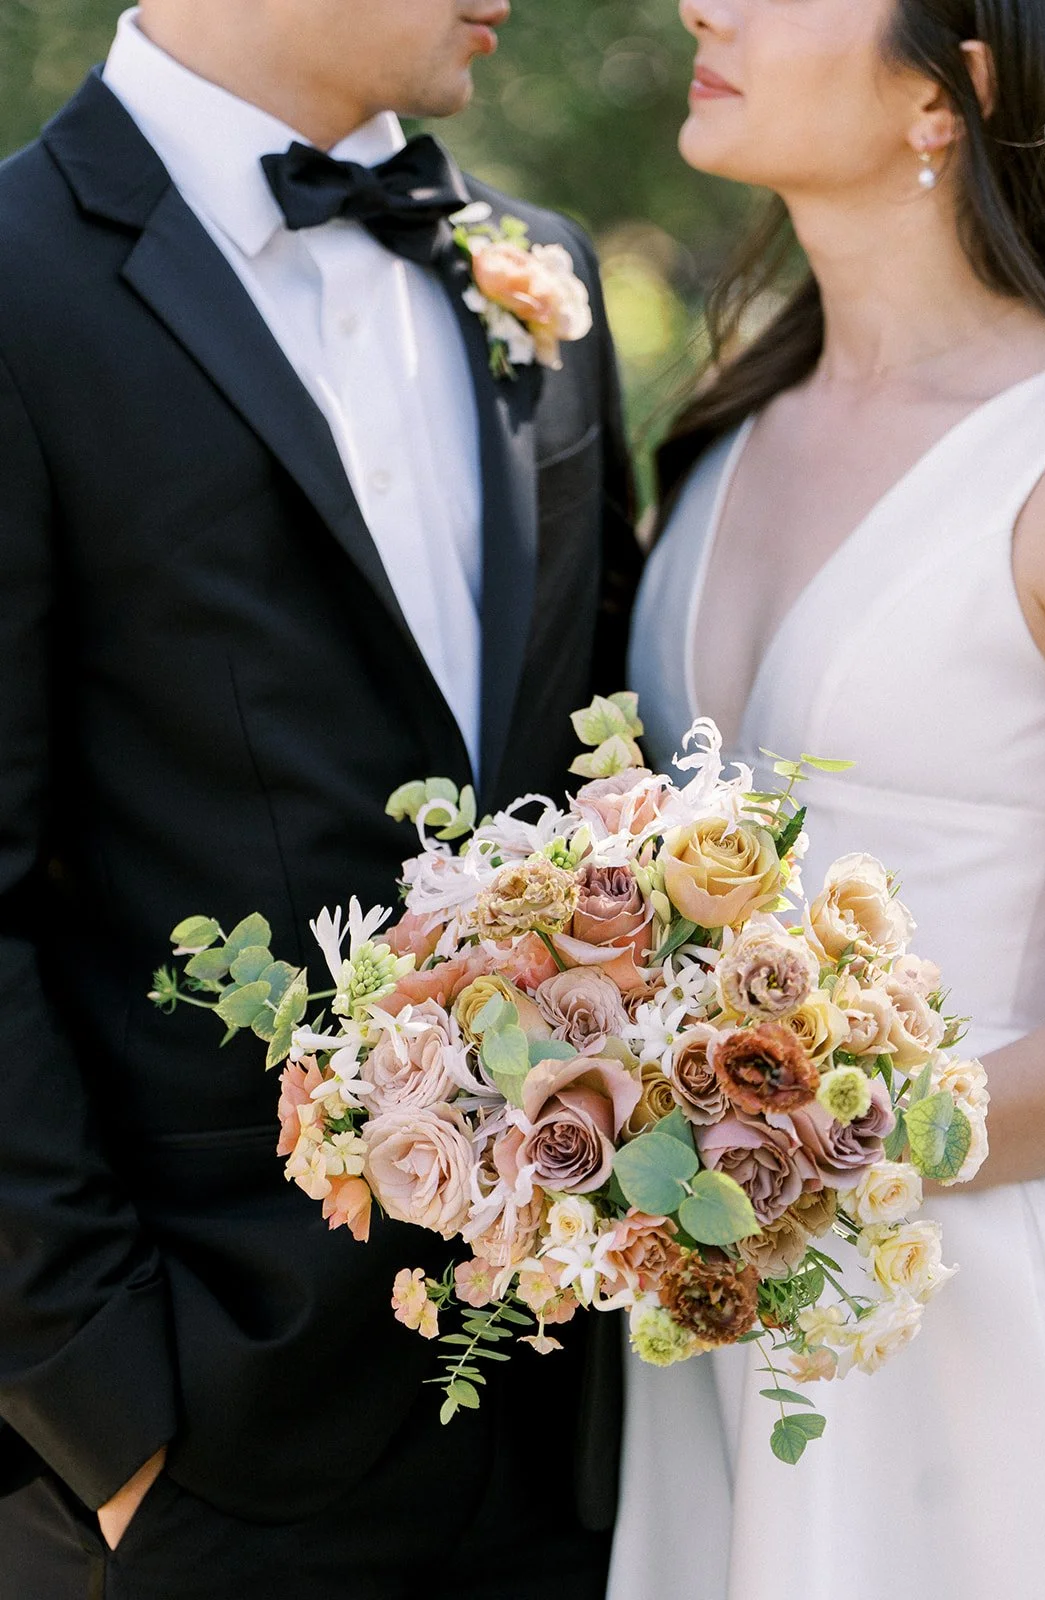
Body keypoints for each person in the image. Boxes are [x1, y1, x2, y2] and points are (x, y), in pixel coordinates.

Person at [0, 2, 640, 1595]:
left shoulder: (538, 273)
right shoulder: (15, 280)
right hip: (201, 1453)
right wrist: (108, 1421)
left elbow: (598, 786)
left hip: (568, 1434)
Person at [614, 0, 1045, 1597]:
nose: (702, 6)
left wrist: (820, 1143)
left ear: (951, 93)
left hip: (981, 1321)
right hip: (703, 1325)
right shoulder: (725, 430)